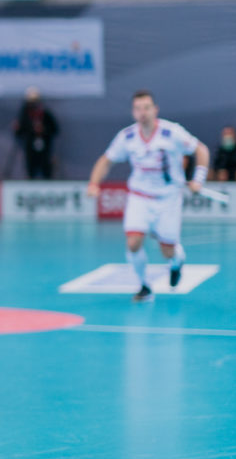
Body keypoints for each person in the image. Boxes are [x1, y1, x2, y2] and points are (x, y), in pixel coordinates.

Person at [86, 91, 210, 302]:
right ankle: (144, 286)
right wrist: (94, 184)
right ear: (133, 112)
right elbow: (106, 160)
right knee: (133, 242)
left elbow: (201, 150)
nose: (142, 113)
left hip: (168, 198)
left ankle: (177, 261)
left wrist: (199, 179)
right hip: (139, 197)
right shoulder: (127, 137)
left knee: (167, 250)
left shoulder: (172, 133)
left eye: (146, 108)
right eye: (138, 108)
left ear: (155, 110)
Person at [14, 87, 58, 179]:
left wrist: (44, 130)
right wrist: (18, 128)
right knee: (31, 171)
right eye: (31, 101)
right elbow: (19, 132)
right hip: (30, 149)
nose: (33, 104)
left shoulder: (45, 114)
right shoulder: (25, 115)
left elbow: (55, 130)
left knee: (46, 170)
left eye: (35, 101)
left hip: (45, 149)